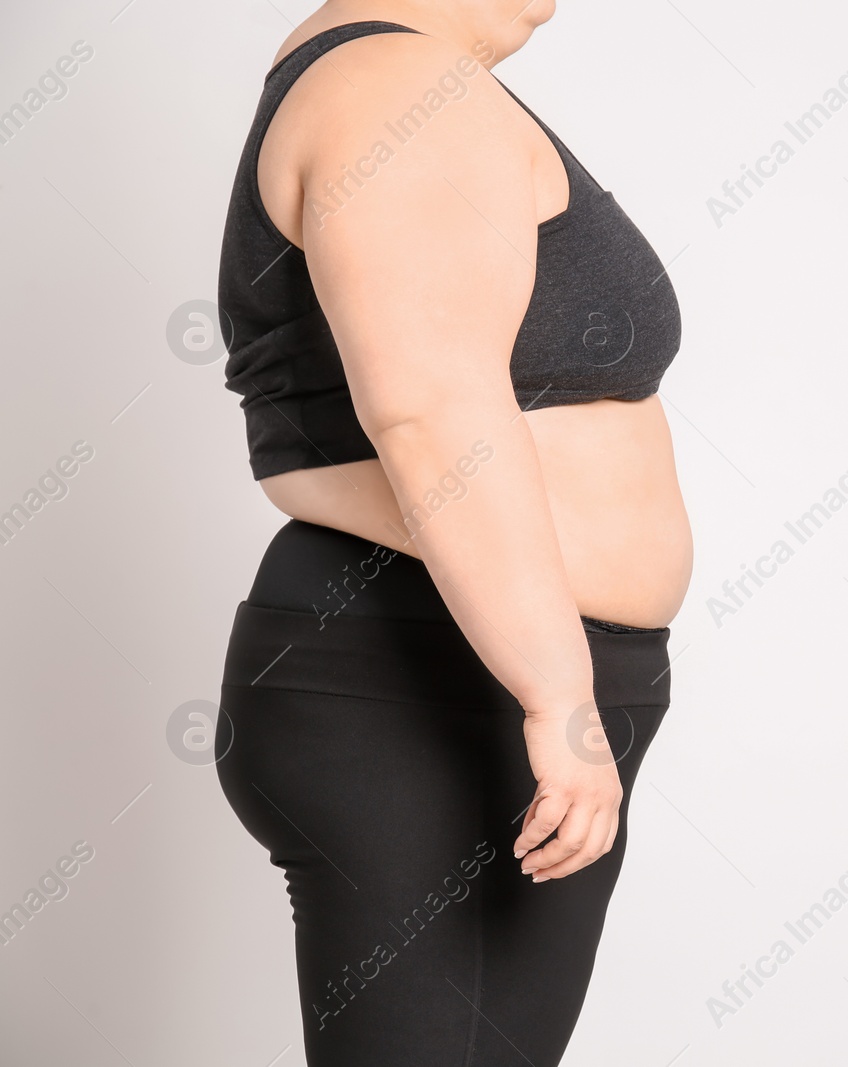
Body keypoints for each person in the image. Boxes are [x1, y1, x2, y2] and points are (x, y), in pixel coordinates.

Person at [209, 2, 691, 1063]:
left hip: (464, 670)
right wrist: (558, 695)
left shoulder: (401, 85)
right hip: (424, 676)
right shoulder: (392, 88)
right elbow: (432, 412)